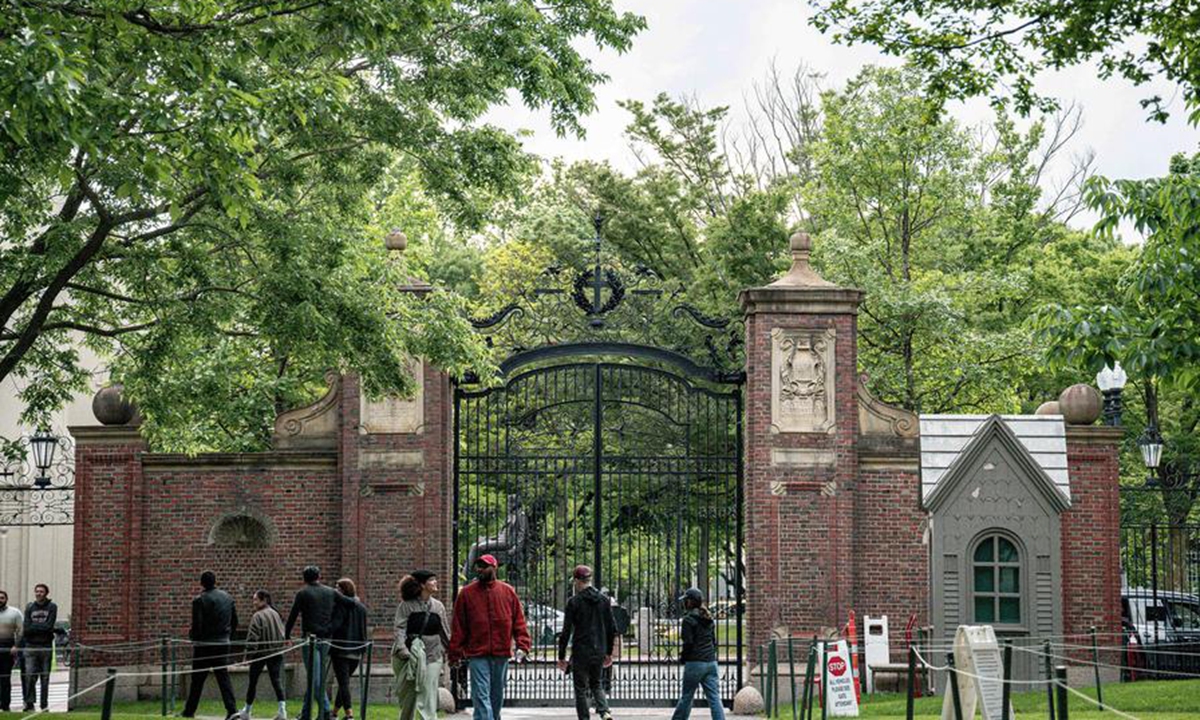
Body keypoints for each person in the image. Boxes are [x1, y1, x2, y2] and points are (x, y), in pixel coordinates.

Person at [447, 554, 531, 720]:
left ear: (494, 568)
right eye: (478, 566)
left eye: (484, 566)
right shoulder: (467, 594)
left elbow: (518, 621)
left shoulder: (507, 592)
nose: (480, 569)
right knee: (480, 693)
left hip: (501, 652)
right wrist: (455, 653)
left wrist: (523, 645)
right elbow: (459, 626)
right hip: (477, 652)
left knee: (496, 695)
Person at [284, 566, 354, 720]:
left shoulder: (303, 593)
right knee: (315, 678)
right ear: (319, 576)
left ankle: (325, 710)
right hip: (326, 639)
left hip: (310, 640)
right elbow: (351, 603)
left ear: (304, 578)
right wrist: (333, 625)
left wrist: (287, 635)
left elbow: (292, 616)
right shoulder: (331, 592)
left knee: (315, 679)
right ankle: (306, 713)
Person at [556, 566, 615, 720]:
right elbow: (611, 628)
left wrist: (561, 656)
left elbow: (566, 631)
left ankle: (584, 718)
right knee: (596, 683)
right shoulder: (604, 600)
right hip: (599, 649)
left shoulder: (574, 602)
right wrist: (608, 652)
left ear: (577, 581)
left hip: (581, 650)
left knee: (580, 688)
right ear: (590, 580)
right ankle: (604, 711)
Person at [392, 571, 449, 720]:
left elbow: (444, 631)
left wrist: (452, 651)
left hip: (432, 655)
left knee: (428, 693)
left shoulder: (438, 607)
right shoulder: (406, 606)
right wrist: (402, 649)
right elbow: (400, 628)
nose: (436, 582)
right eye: (432, 580)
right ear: (422, 585)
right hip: (409, 655)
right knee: (408, 697)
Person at [183, 572, 239, 720]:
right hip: (223, 643)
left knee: (197, 680)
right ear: (215, 581)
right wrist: (228, 637)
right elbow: (235, 622)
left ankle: (189, 711)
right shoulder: (228, 598)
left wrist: (194, 638)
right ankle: (232, 709)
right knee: (223, 678)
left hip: (205, 645)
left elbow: (197, 626)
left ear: (202, 583)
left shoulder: (199, 600)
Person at [670, 588, 724, 720]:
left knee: (687, 696)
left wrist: (683, 658)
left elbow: (688, 643)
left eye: (686, 600)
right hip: (710, 662)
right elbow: (713, 641)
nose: (684, 603)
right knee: (714, 697)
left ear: (690, 602)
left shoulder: (688, 620)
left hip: (695, 662)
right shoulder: (709, 619)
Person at [241, 590, 287, 720]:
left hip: (261, 653)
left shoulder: (258, 616)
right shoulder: (276, 614)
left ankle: (247, 711)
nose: (254, 602)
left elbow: (253, 637)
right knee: (276, 681)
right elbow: (282, 633)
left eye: (256, 599)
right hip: (276, 652)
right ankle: (282, 710)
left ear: (263, 600)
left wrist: (247, 655)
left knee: (253, 682)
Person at [330, 579, 368, 720]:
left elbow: (335, 625)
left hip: (341, 650)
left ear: (343, 590)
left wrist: (324, 631)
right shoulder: (362, 608)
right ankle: (334, 713)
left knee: (343, 683)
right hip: (356, 651)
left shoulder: (341, 606)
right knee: (344, 683)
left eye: (338, 588)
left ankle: (349, 714)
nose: (336, 591)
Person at [20, 583, 57, 713]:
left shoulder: (52, 607)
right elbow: (27, 628)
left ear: (46, 593)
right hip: (30, 646)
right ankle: (29, 703)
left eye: (41, 591)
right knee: (29, 675)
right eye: (37, 591)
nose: (38, 593)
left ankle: (44, 704)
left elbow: (49, 626)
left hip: (45, 646)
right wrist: (41, 628)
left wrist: (35, 627)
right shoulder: (30, 607)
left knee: (45, 677)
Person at [0, 590, 22, 712]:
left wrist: (16, 646)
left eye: (2, 598)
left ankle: (5, 704)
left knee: (5, 678)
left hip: (8, 648)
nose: (0, 600)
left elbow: (21, 631)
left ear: (6, 599)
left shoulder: (15, 613)